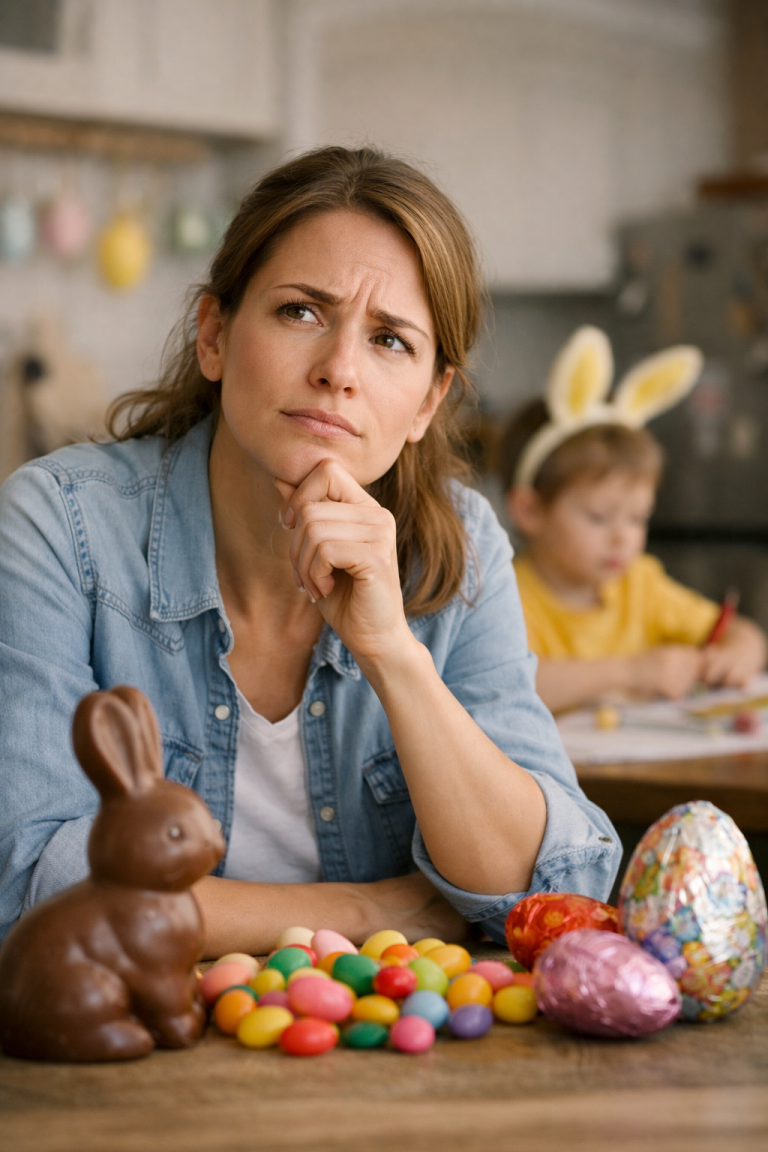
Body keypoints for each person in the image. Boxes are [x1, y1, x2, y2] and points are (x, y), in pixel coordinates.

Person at [0, 148, 620, 955]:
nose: (338, 371)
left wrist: (392, 652)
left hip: (400, 1065)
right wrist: (372, 914)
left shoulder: (459, 550)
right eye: (301, 312)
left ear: (430, 400)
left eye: (391, 340)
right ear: (215, 336)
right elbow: (28, 890)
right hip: (135, 1060)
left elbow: (551, 890)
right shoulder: (64, 525)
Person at [498, 326, 767, 715]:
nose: (623, 538)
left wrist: (738, 652)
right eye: (599, 517)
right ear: (529, 510)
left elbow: (742, 632)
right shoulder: (505, 596)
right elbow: (507, 685)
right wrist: (628, 672)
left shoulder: (639, 583)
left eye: (638, 518)